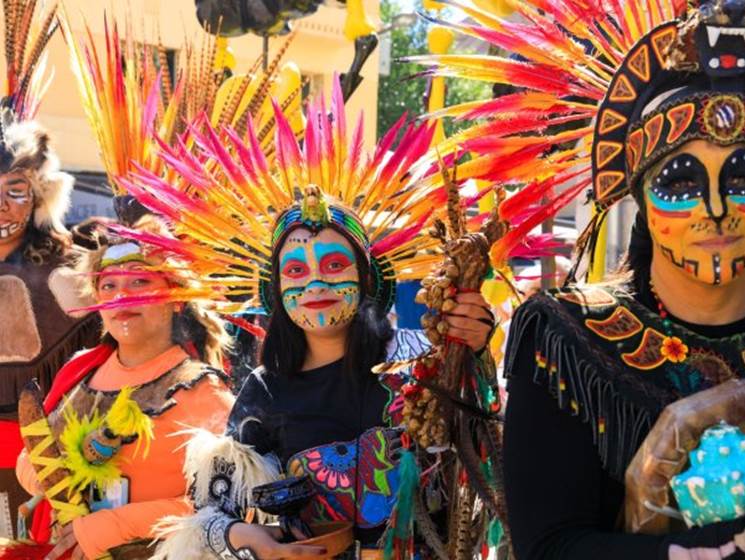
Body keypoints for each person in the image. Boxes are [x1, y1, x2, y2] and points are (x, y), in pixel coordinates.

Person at [109, 83, 501, 559]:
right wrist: (250, 539)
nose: (315, 284)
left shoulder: (421, 359)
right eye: (296, 271)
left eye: (335, 265)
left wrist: (475, 351)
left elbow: (488, 441)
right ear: (277, 293)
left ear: (368, 280)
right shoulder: (265, 389)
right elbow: (212, 511)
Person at [421, 0, 745, 557]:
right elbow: (550, 547)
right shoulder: (567, 338)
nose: (714, 208)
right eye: (680, 182)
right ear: (640, 196)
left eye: (742, 176)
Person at [12, 220, 235, 560]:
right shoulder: (80, 369)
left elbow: (230, 506)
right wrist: (49, 479)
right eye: (109, 285)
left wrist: (109, 526)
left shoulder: (205, 392)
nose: (121, 296)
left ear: (176, 299)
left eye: (140, 281)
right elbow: (32, 451)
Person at [0, 0, 101, 539]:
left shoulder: (67, 266)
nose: (3, 209)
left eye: (16, 193)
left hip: (44, 453)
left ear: (37, 195)